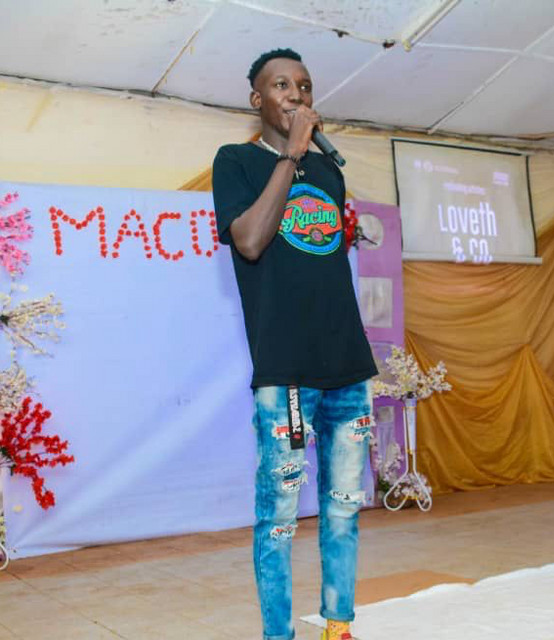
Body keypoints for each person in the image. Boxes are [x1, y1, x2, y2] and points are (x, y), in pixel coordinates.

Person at [212, 48, 377, 640]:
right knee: (279, 518)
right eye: (281, 85)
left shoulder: (329, 171)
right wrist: (290, 155)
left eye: (304, 85)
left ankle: (338, 625)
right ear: (257, 99)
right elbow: (251, 241)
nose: (296, 94)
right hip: (285, 372)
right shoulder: (235, 161)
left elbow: (323, 264)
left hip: (348, 368)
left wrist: (308, 159)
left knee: (344, 508)